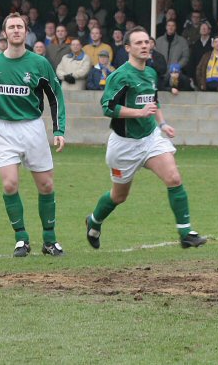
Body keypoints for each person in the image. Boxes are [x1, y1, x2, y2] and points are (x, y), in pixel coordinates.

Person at [85, 26, 207, 250]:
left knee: (173, 177)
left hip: (150, 137)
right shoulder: (120, 76)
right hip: (124, 145)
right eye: (138, 43)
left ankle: (185, 232)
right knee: (119, 196)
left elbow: (153, 102)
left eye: (146, 42)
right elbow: (108, 107)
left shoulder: (150, 72)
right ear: (128, 48)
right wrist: (138, 113)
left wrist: (163, 123)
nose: (144, 46)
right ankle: (94, 221)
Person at [0, 13, 67, 257]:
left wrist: (59, 129)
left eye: (20, 27)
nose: (16, 30)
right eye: (11, 27)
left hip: (33, 127)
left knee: (46, 185)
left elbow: (55, 96)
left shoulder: (40, 63)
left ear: (26, 32)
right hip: (3, 129)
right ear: (4, 32)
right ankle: (21, 239)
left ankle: (49, 240)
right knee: (9, 183)